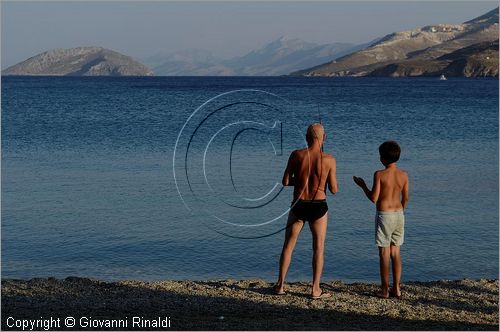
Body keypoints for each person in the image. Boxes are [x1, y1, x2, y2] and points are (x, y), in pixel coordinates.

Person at [274, 123, 338, 299]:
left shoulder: (296, 155)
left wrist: (302, 182)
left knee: (288, 245)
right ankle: (315, 289)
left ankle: (280, 285)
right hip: (318, 205)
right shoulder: (329, 159)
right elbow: (334, 189)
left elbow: (286, 181)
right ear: (324, 138)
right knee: (318, 248)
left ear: (307, 138)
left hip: (299, 204)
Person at [353, 140, 409, 299]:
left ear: (383, 158)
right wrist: (401, 210)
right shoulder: (404, 175)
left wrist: (362, 185)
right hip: (399, 214)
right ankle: (397, 289)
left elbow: (373, 198)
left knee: (384, 253)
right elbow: (406, 198)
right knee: (396, 253)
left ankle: (385, 290)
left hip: (385, 215)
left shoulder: (379, 174)